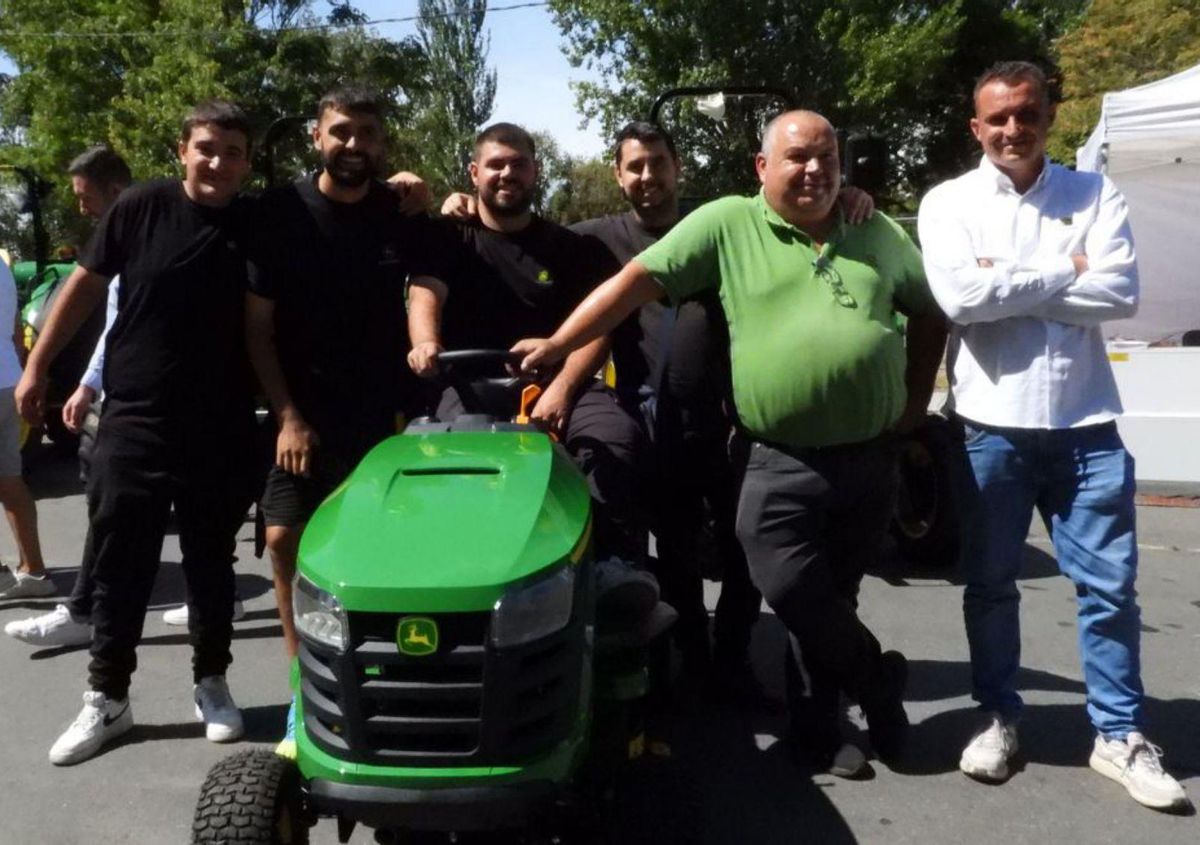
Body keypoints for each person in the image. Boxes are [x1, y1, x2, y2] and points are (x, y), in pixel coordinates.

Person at [511, 110, 947, 777]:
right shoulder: (724, 223)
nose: (814, 169)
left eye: (826, 157)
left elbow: (927, 308)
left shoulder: (874, 226)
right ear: (761, 166)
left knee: (835, 596)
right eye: (797, 156)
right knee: (790, 582)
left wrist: (915, 404)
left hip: (868, 455)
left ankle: (822, 728)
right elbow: (629, 285)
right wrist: (559, 345)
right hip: (775, 452)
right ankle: (875, 679)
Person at [917, 60, 1189, 811]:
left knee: (1110, 588)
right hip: (989, 429)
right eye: (997, 117)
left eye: (1026, 113)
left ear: (1048, 117)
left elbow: (1119, 292)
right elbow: (962, 300)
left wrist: (1009, 278)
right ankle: (1000, 713)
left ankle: (1119, 734)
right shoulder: (949, 202)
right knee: (990, 587)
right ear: (976, 127)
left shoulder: (1095, 192)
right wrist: (1063, 269)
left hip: (1085, 426)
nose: (1013, 128)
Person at [15, 100, 260, 765]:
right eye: (207, 147)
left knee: (212, 561)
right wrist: (38, 365)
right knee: (122, 561)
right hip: (134, 417)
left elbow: (341, 199)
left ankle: (211, 682)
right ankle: (107, 698)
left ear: (248, 160)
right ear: (182, 149)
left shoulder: (258, 220)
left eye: (234, 151)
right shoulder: (141, 207)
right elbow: (85, 289)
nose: (219, 161)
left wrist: (416, 192)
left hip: (222, 422)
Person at [408, 122, 659, 617]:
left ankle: (613, 561)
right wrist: (425, 342)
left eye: (518, 163)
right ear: (474, 172)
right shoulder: (447, 238)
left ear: (535, 170)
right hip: (469, 386)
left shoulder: (571, 248)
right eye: (496, 164)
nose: (507, 174)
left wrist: (563, 388)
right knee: (454, 458)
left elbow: (598, 330)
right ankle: (450, 577)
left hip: (557, 382)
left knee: (616, 437)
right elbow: (424, 294)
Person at [246, 84, 438, 663]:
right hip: (301, 412)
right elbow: (257, 330)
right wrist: (287, 417)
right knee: (285, 539)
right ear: (317, 136)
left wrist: (446, 201)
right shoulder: (278, 213)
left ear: (383, 144)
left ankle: (383, 669)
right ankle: (300, 680)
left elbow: (455, 245)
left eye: (368, 134)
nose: (354, 144)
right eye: (341, 132)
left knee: (383, 545)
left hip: (384, 413)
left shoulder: (401, 213)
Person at [0, 256, 50, 601]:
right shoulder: (1, 266)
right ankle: (34, 571)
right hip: (7, 379)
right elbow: (16, 329)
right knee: (9, 479)